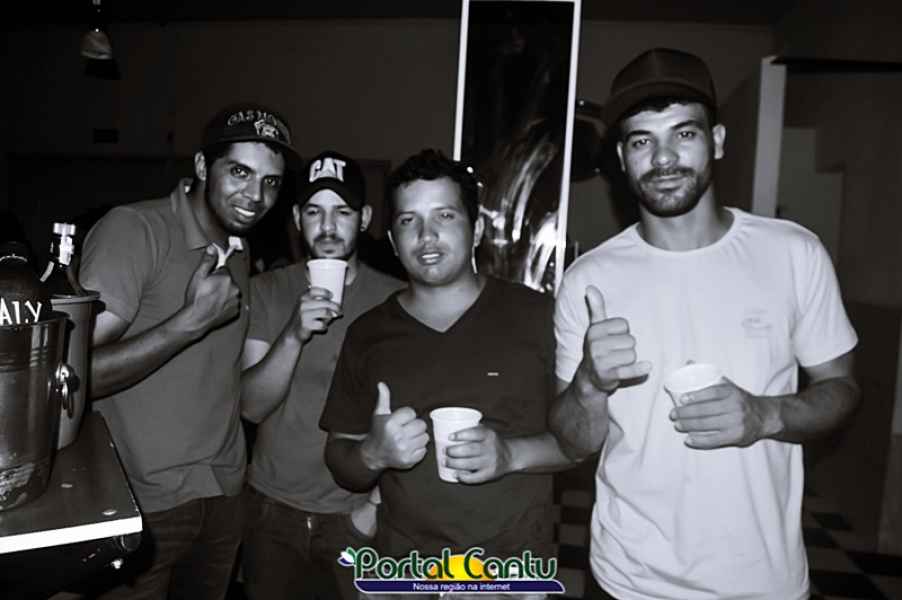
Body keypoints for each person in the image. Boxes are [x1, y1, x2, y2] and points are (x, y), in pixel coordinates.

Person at [549, 47, 860, 600]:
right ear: (622, 157)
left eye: (684, 134)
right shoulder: (588, 279)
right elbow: (572, 443)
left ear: (716, 140)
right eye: (642, 141)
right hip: (627, 581)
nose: (663, 158)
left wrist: (766, 415)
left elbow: (842, 389)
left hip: (763, 582)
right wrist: (589, 386)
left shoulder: (793, 253)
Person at [319, 149, 572, 599]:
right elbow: (341, 459)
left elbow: (581, 443)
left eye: (445, 215)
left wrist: (510, 455)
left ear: (477, 230)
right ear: (392, 240)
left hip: (512, 575)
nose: (427, 235)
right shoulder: (367, 334)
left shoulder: (539, 317)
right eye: (409, 221)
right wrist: (374, 454)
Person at [79, 103, 301, 600]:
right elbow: (74, 375)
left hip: (223, 498)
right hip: (141, 505)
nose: (255, 195)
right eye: (240, 172)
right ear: (202, 166)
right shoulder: (135, 230)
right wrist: (188, 323)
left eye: (270, 181)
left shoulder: (240, 251)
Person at [239, 150, 405, 600]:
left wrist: (373, 507)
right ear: (297, 219)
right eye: (314, 211)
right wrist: (293, 334)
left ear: (364, 219)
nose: (328, 226)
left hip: (359, 512)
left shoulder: (396, 301)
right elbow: (251, 407)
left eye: (342, 212)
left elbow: (413, 412)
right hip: (272, 510)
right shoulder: (267, 290)